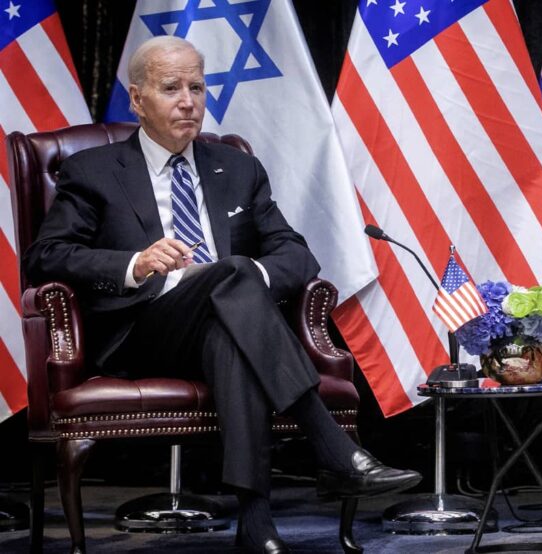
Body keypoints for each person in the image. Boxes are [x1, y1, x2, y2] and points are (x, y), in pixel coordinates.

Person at [23, 36, 420, 553]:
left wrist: (245, 275)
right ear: (138, 99)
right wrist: (134, 263)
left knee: (230, 313)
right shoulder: (93, 171)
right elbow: (45, 257)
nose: (188, 100)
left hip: (226, 324)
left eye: (197, 86)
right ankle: (332, 449)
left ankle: (256, 525)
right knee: (232, 281)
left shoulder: (236, 169)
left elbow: (296, 255)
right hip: (140, 331)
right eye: (171, 88)